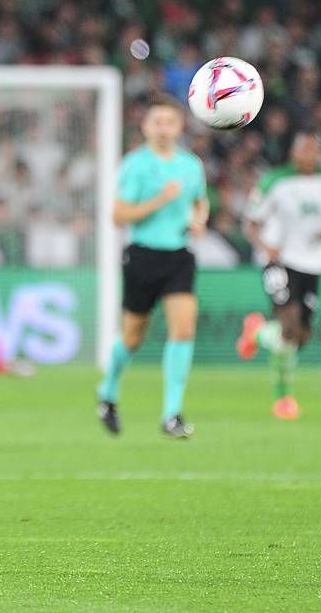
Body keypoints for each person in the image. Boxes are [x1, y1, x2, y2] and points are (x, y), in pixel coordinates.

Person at [96, 95, 209, 438]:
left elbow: (200, 201)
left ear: (179, 127)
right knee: (132, 337)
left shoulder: (191, 166)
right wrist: (160, 200)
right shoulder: (135, 165)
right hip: (143, 255)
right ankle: (108, 392)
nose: (163, 128)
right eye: (157, 121)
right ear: (145, 127)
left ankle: (171, 415)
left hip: (178, 255)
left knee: (184, 328)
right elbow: (119, 216)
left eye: (170, 122)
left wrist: (200, 220)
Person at [238, 130, 321, 420]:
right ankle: (283, 399)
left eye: (316, 150)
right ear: (294, 152)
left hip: (314, 261)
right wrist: (266, 246)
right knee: (288, 327)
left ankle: (257, 331)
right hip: (279, 259)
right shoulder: (275, 181)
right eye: (305, 149)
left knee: (300, 337)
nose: (310, 155)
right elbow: (250, 223)